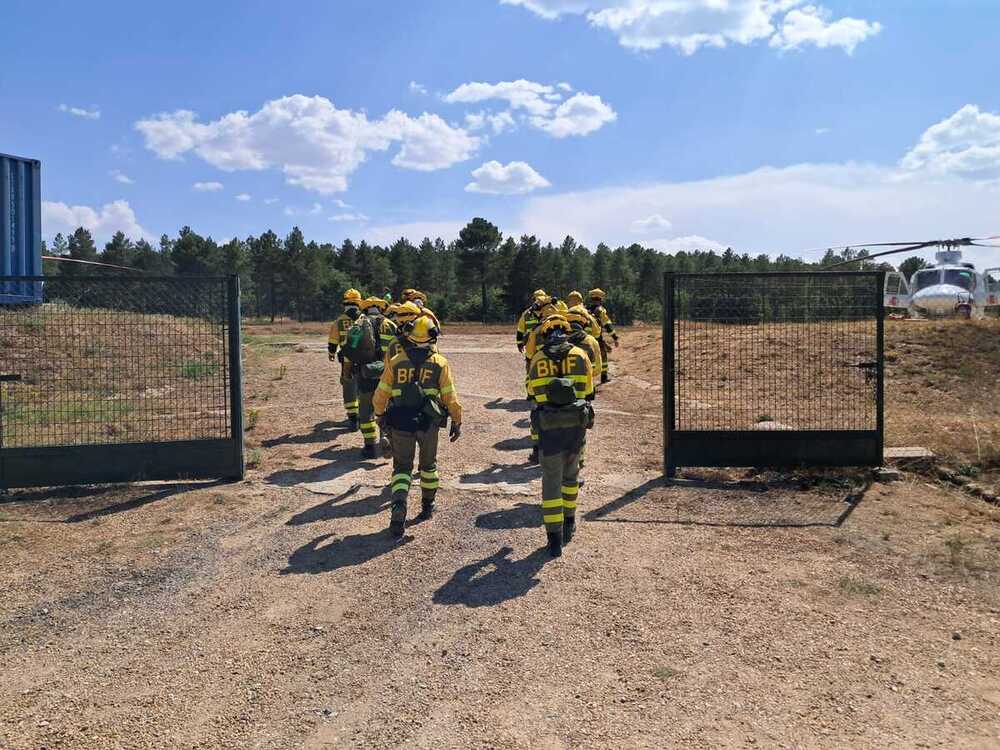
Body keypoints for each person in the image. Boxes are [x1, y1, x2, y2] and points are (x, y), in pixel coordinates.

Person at [373, 314, 462, 538]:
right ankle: (427, 507)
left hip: (400, 423)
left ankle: (398, 506)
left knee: (402, 468)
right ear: (432, 336)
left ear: (411, 336)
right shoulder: (440, 363)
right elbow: (450, 396)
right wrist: (456, 420)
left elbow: (381, 393)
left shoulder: (396, 361)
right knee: (429, 467)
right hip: (428, 423)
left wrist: (379, 416)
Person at [526, 315, 595, 557]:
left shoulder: (538, 359)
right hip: (575, 427)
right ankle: (569, 522)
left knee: (551, 482)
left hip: (549, 429)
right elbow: (588, 390)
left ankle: (553, 539)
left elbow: (532, 393)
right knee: (571, 477)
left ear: (544, 335)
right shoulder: (580, 355)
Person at [349, 297, 398, 458]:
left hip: (365, 374)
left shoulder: (359, 324)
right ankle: (387, 436)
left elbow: (351, 350)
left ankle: (369, 446)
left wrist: (348, 370)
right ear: (381, 308)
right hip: (388, 375)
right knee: (388, 408)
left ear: (365, 308)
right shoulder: (390, 325)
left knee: (366, 410)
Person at [328, 288, 363, 429]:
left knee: (349, 388)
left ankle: (353, 419)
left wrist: (331, 353)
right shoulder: (365, 319)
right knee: (364, 387)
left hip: (347, 361)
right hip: (365, 360)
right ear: (359, 303)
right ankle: (364, 415)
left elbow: (333, 340)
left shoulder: (339, 321)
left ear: (345, 304)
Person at [587, 288, 619, 383]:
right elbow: (607, 325)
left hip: (585, 338)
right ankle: (604, 377)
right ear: (600, 299)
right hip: (596, 339)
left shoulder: (586, 310)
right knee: (603, 356)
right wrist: (615, 338)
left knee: (588, 359)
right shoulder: (601, 310)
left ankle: (589, 379)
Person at [515, 290, 548, 362]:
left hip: (536, 350)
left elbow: (520, 330)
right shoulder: (549, 312)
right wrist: (519, 344)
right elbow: (520, 330)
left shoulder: (526, 314)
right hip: (540, 349)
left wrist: (519, 344)